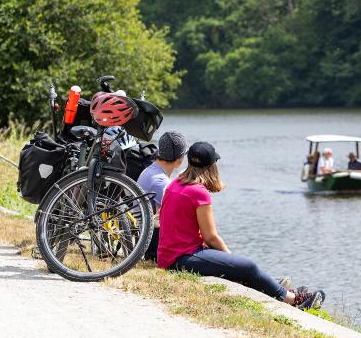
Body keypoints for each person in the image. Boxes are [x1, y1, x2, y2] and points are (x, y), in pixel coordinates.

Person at [158, 141, 325, 310]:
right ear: (211, 166)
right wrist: (232, 260)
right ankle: (293, 299)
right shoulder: (198, 191)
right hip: (181, 259)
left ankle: (273, 286)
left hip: (170, 255)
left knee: (240, 267)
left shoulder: (176, 183)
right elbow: (211, 237)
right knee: (246, 265)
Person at [137, 131, 187, 262]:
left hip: (142, 233)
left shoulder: (150, 170)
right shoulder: (162, 182)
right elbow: (165, 221)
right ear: (179, 160)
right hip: (151, 244)